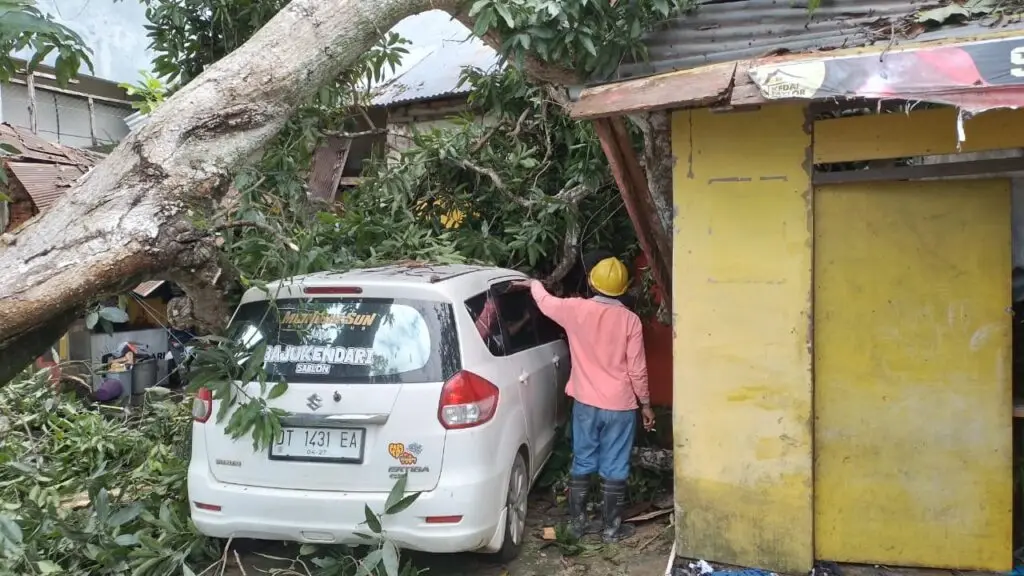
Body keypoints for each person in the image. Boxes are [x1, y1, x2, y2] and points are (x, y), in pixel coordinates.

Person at [514, 256, 654, 543]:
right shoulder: (631, 321)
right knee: (615, 465)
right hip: (620, 406)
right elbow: (637, 369)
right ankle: (611, 530)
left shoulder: (575, 309)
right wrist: (646, 405)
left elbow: (545, 302)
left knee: (583, 459)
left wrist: (534, 284)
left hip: (586, 404)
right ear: (624, 288)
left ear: (592, 282)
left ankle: (577, 526)